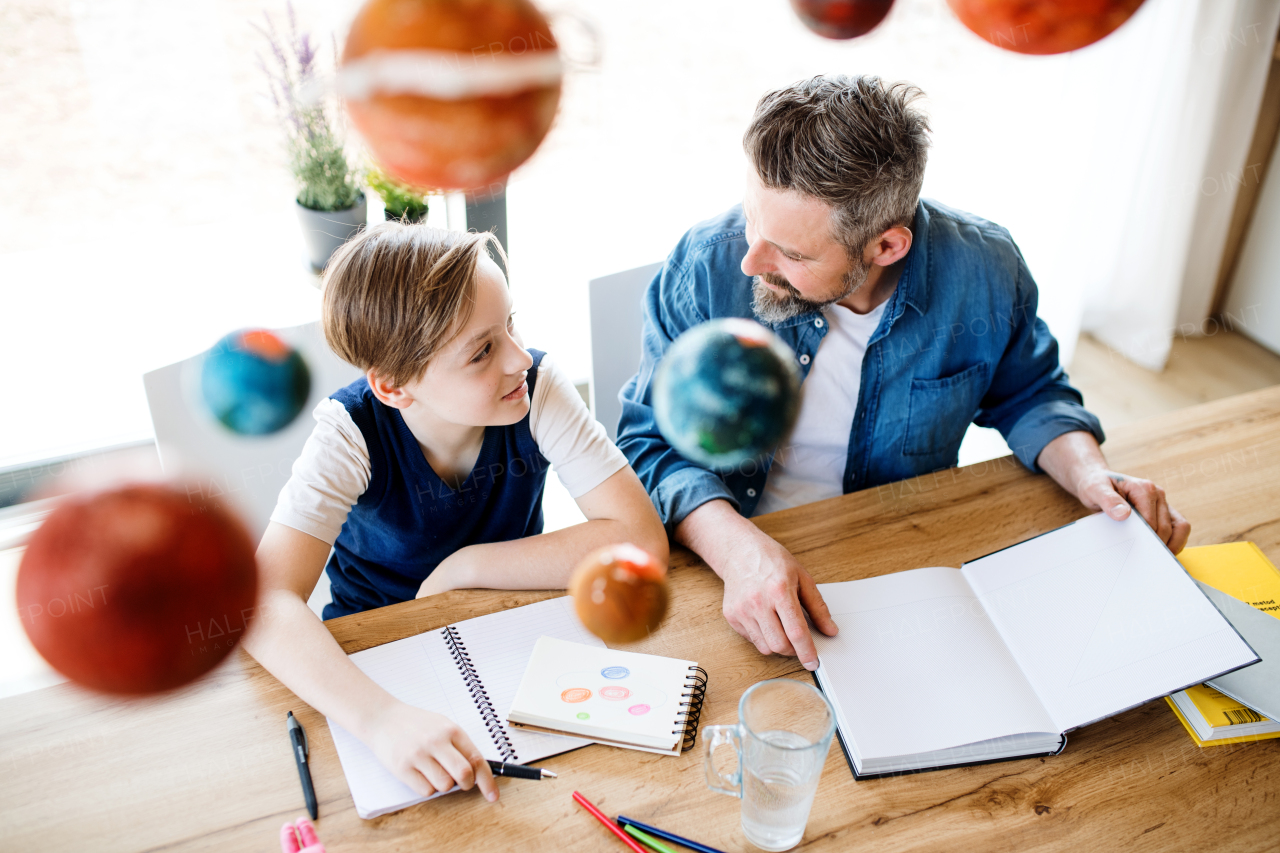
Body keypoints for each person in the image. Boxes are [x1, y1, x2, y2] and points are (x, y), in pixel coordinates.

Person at [617, 74, 1189, 674]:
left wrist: (1092, 475)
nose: (750, 261)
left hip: (903, 554)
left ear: (886, 247)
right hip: (732, 556)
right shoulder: (706, 265)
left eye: (792, 253)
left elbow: (1031, 392)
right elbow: (648, 441)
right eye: (753, 224)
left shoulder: (986, 271)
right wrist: (739, 555)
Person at [244, 223, 667, 804]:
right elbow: (262, 603)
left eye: (511, 324)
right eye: (483, 350)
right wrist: (380, 720)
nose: (520, 357)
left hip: (505, 632)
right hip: (377, 661)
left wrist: (466, 566)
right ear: (393, 388)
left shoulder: (534, 388)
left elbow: (641, 545)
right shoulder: (350, 434)